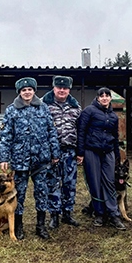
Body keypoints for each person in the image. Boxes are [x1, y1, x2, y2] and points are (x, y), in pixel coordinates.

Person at [0, 77, 60, 240]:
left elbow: (52, 132)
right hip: (20, 160)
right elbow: (5, 135)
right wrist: (3, 157)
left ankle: (41, 225)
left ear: (34, 91)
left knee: (42, 191)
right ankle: (18, 226)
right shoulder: (12, 110)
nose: (27, 92)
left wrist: (55, 153)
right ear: (19, 92)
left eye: (30, 90)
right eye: (24, 90)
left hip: (41, 159)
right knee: (20, 193)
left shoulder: (43, 108)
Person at [76, 87, 126, 230]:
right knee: (95, 182)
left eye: (107, 96)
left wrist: (117, 155)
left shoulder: (113, 116)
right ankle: (99, 213)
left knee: (109, 181)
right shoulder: (89, 111)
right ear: (97, 98)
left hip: (108, 151)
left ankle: (113, 213)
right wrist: (80, 152)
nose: (104, 98)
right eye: (101, 96)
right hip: (92, 150)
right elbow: (81, 131)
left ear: (110, 98)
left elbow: (115, 136)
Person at [42, 75, 81, 229]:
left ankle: (67, 213)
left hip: (70, 151)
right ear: (54, 88)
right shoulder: (44, 105)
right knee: (52, 183)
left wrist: (80, 151)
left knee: (70, 183)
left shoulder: (75, 107)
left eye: (65, 88)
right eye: (59, 87)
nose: (62, 90)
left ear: (69, 89)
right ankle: (54, 215)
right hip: (52, 152)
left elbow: (81, 130)